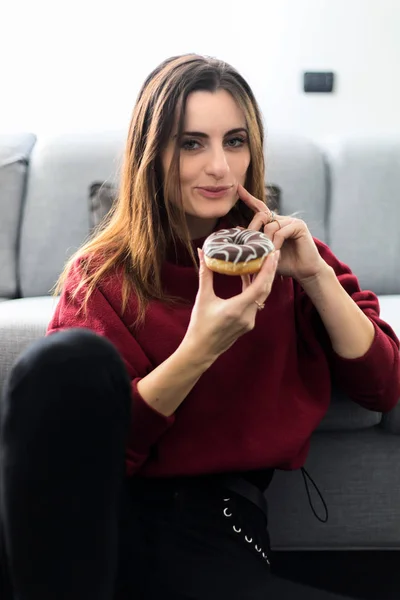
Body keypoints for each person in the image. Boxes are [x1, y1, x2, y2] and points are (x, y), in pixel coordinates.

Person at [1, 54, 399, 600]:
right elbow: (98, 448)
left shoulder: (291, 260)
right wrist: (200, 348)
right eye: (192, 143)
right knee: (63, 361)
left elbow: (383, 386)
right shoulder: (101, 277)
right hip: (91, 524)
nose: (220, 167)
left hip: (211, 531)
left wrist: (315, 276)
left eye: (234, 141)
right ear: (152, 153)